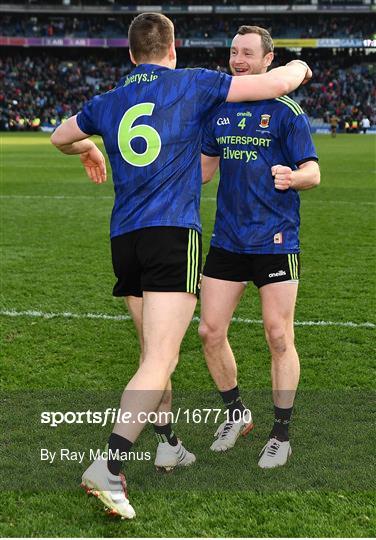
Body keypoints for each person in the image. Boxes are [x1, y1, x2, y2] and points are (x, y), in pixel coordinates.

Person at [51, 13, 312, 519]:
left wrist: (86, 147)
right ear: (173, 49)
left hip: (124, 238)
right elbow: (278, 81)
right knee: (160, 360)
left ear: (131, 55)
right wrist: (299, 66)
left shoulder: (108, 100)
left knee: (154, 349)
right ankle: (110, 465)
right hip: (171, 236)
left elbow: (60, 136)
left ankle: (168, 442)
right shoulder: (192, 83)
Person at [199, 26, 320, 469]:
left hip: (275, 239)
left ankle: (281, 433)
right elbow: (204, 172)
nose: (238, 59)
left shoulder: (287, 111)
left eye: (247, 53)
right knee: (209, 332)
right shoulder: (220, 108)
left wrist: (294, 177)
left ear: (268, 60)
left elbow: (313, 172)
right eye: (233, 51)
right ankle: (236, 414)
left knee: (277, 334)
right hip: (227, 239)